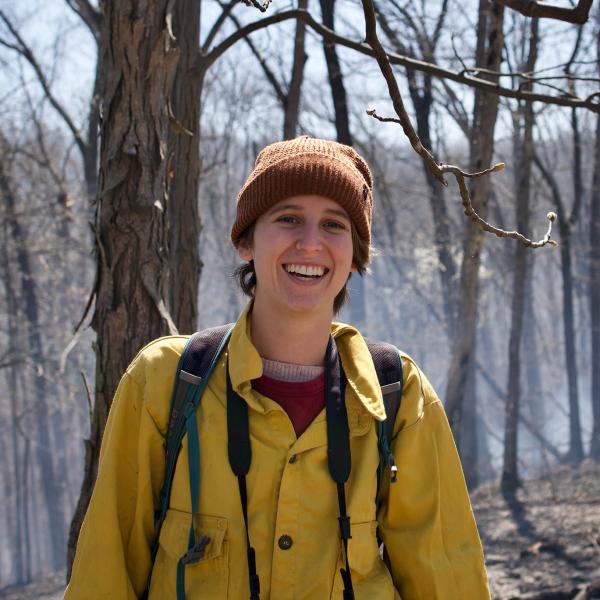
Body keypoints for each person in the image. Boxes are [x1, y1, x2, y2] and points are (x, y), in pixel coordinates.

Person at [65, 136, 490, 599]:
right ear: (246, 241)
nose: (310, 243)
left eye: (334, 225)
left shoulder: (398, 396)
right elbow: (105, 575)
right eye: (288, 219)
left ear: (354, 255)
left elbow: (448, 581)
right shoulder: (167, 382)